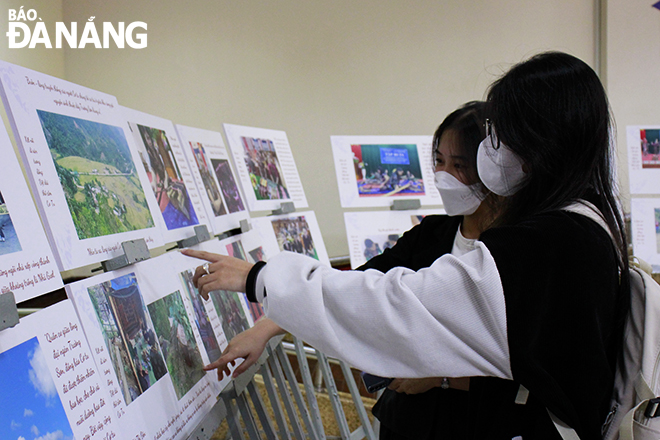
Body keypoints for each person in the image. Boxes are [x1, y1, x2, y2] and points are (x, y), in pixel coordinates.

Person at [183, 51, 629, 439]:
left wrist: (261, 277)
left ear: (542, 142)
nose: (492, 154)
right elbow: (378, 282)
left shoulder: (545, 244)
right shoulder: (585, 225)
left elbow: (399, 306)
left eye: (500, 139)